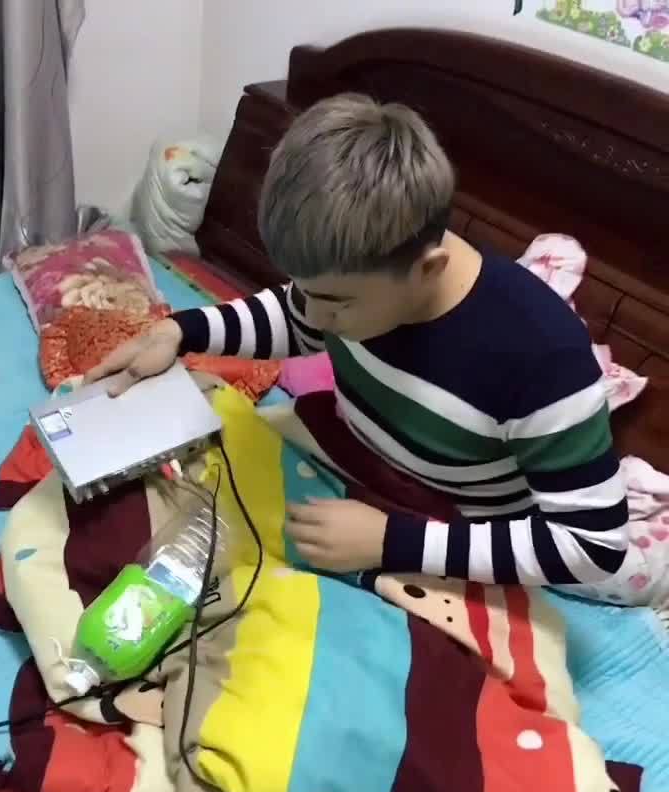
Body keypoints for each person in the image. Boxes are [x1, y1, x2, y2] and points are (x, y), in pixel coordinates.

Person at [86, 94, 628, 586]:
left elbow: (593, 547)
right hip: (363, 461)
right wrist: (178, 331)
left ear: (427, 269)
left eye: (337, 302)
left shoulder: (542, 354)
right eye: (307, 290)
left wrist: (393, 541)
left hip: (464, 530)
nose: (317, 316)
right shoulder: (363, 277)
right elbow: (295, 316)